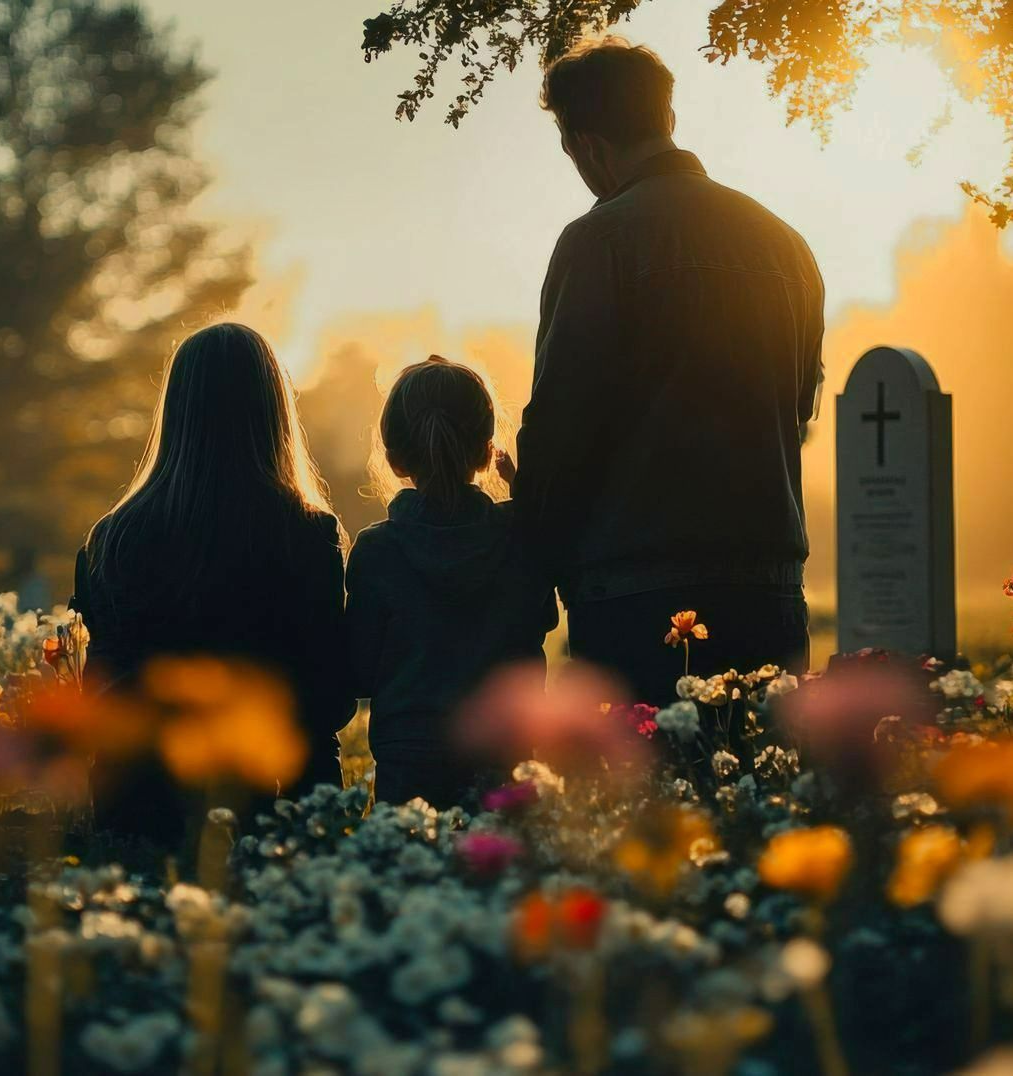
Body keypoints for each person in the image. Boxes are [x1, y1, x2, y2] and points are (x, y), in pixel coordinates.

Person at [516, 37, 825, 704]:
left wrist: (531, 539)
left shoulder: (597, 241)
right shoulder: (785, 244)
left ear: (587, 144)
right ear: (665, 118)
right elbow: (798, 406)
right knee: (756, 791)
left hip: (635, 589)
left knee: (646, 796)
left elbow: (562, 422)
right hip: (766, 581)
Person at [70, 322, 350, 849]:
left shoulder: (114, 539)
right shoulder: (308, 535)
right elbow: (327, 699)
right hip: (274, 812)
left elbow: (104, 699)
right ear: (274, 412)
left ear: (175, 410)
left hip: (142, 813)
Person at [346, 357, 556, 806]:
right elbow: (541, 619)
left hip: (409, 767)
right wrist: (527, 509)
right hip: (506, 759)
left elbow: (360, 674)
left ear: (395, 459)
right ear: (486, 452)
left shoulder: (377, 552)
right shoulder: (524, 538)